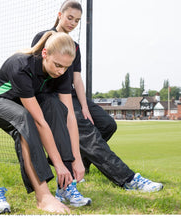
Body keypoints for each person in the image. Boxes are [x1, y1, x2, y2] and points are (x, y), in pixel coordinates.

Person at [31, 0, 163, 193]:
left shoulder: (74, 47)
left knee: (107, 124)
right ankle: (128, 179)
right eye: (70, 18)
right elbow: (35, 70)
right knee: (87, 131)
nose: (73, 23)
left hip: (73, 96)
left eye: (77, 20)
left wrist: (85, 107)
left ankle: (78, 165)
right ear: (60, 15)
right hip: (52, 96)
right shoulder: (44, 37)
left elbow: (77, 79)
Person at [0, 31, 91, 214]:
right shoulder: (21, 66)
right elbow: (39, 122)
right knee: (25, 120)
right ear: (45, 54)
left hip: (18, 103)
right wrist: (58, 164)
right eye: (57, 65)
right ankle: (43, 197)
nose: (61, 71)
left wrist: (75, 160)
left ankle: (65, 185)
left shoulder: (62, 71)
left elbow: (69, 117)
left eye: (65, 67)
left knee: (55, 106)